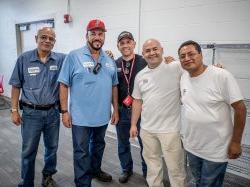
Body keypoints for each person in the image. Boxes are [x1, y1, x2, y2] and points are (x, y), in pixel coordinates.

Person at [58, 19, 119, 187]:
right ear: (87, 35)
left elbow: (114, 85)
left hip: (102, 116)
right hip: (80, 117)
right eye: (93, 34)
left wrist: (116, 110)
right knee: (81, 152)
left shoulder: (109, 59)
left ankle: (95, 170)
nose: (97, 37)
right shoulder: (74, 56)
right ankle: (83, 183)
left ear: (104, 36)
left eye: (100, 34)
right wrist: (64, 111)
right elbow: (63, 84)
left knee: (98, 146)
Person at [178, 40, 247, 187]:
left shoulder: (221, 76)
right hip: (192, 146)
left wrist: (236, 142)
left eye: (191, 54)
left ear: (201, 55)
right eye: (182, 56)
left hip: (216, 149)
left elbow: (240, 109)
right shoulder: (184, 77)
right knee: (198, 181)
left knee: (208, 184)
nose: (187, 58)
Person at [9, 27, 65, 187]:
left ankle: (48, 176)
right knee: (28, 151)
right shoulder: (24, 59)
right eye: (44, 37)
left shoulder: (60, 59)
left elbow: (78, 59)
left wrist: (106, 54)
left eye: (51, 38)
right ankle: (26, 182)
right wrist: (14, 110)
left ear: (54, 42)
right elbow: (15, 86)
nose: (47, 41)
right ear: (36, 38)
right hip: (31, 113)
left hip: (53, 113)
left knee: (52, 148)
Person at [130, 39, 186, 187]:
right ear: (143, 54)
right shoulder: (140, 76)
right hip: (147, 130)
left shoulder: (175, 66)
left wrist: (215, 69)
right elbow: (137, 101)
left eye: (155, 49)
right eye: (147, 51)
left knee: (176, 169)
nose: (152, 53)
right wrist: (133, 125)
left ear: (162, 50)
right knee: (153, 168)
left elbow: (196, 69)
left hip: (170, 131)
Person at [115, 31, 147, 183]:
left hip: (142, 111)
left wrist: (168, 60)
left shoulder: (144, 61)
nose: (125, 45)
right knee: (122, 143)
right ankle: (126, 169)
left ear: (134, 44)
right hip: (122, 110)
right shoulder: (114, 64)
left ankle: (148, 173)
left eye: (128, 42)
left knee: (145, 145)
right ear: (118, 46)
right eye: (122, 43)